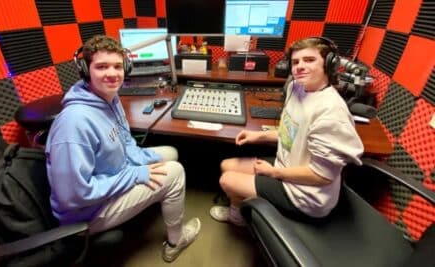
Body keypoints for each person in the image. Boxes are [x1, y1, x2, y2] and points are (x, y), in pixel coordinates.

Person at [45, 35, 200, 262]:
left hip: (113, 174)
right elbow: (74, 195)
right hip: (88, 212)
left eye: (118, 66)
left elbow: (125, 141)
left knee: (170, 152)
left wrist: (140, 160)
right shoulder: (74, 124)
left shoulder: (110, 98)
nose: (112, 73)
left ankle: (157, 199)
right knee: (175, 172)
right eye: (101, 67)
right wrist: (136, 174)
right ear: (86, 70)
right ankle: (176, 241)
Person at [209, 37, 364, 225]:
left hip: (306, 195)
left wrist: (274, 173)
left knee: (228, 180)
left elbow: (322, 176)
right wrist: (258, 136)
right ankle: (245, 205)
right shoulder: (296, 88)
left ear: (330, 64)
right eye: (295, 62)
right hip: (286, 167)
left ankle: (239, 218)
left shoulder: (331, 112)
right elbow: (291, 133)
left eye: (309, 60)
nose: (299, 66)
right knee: (226, 164)